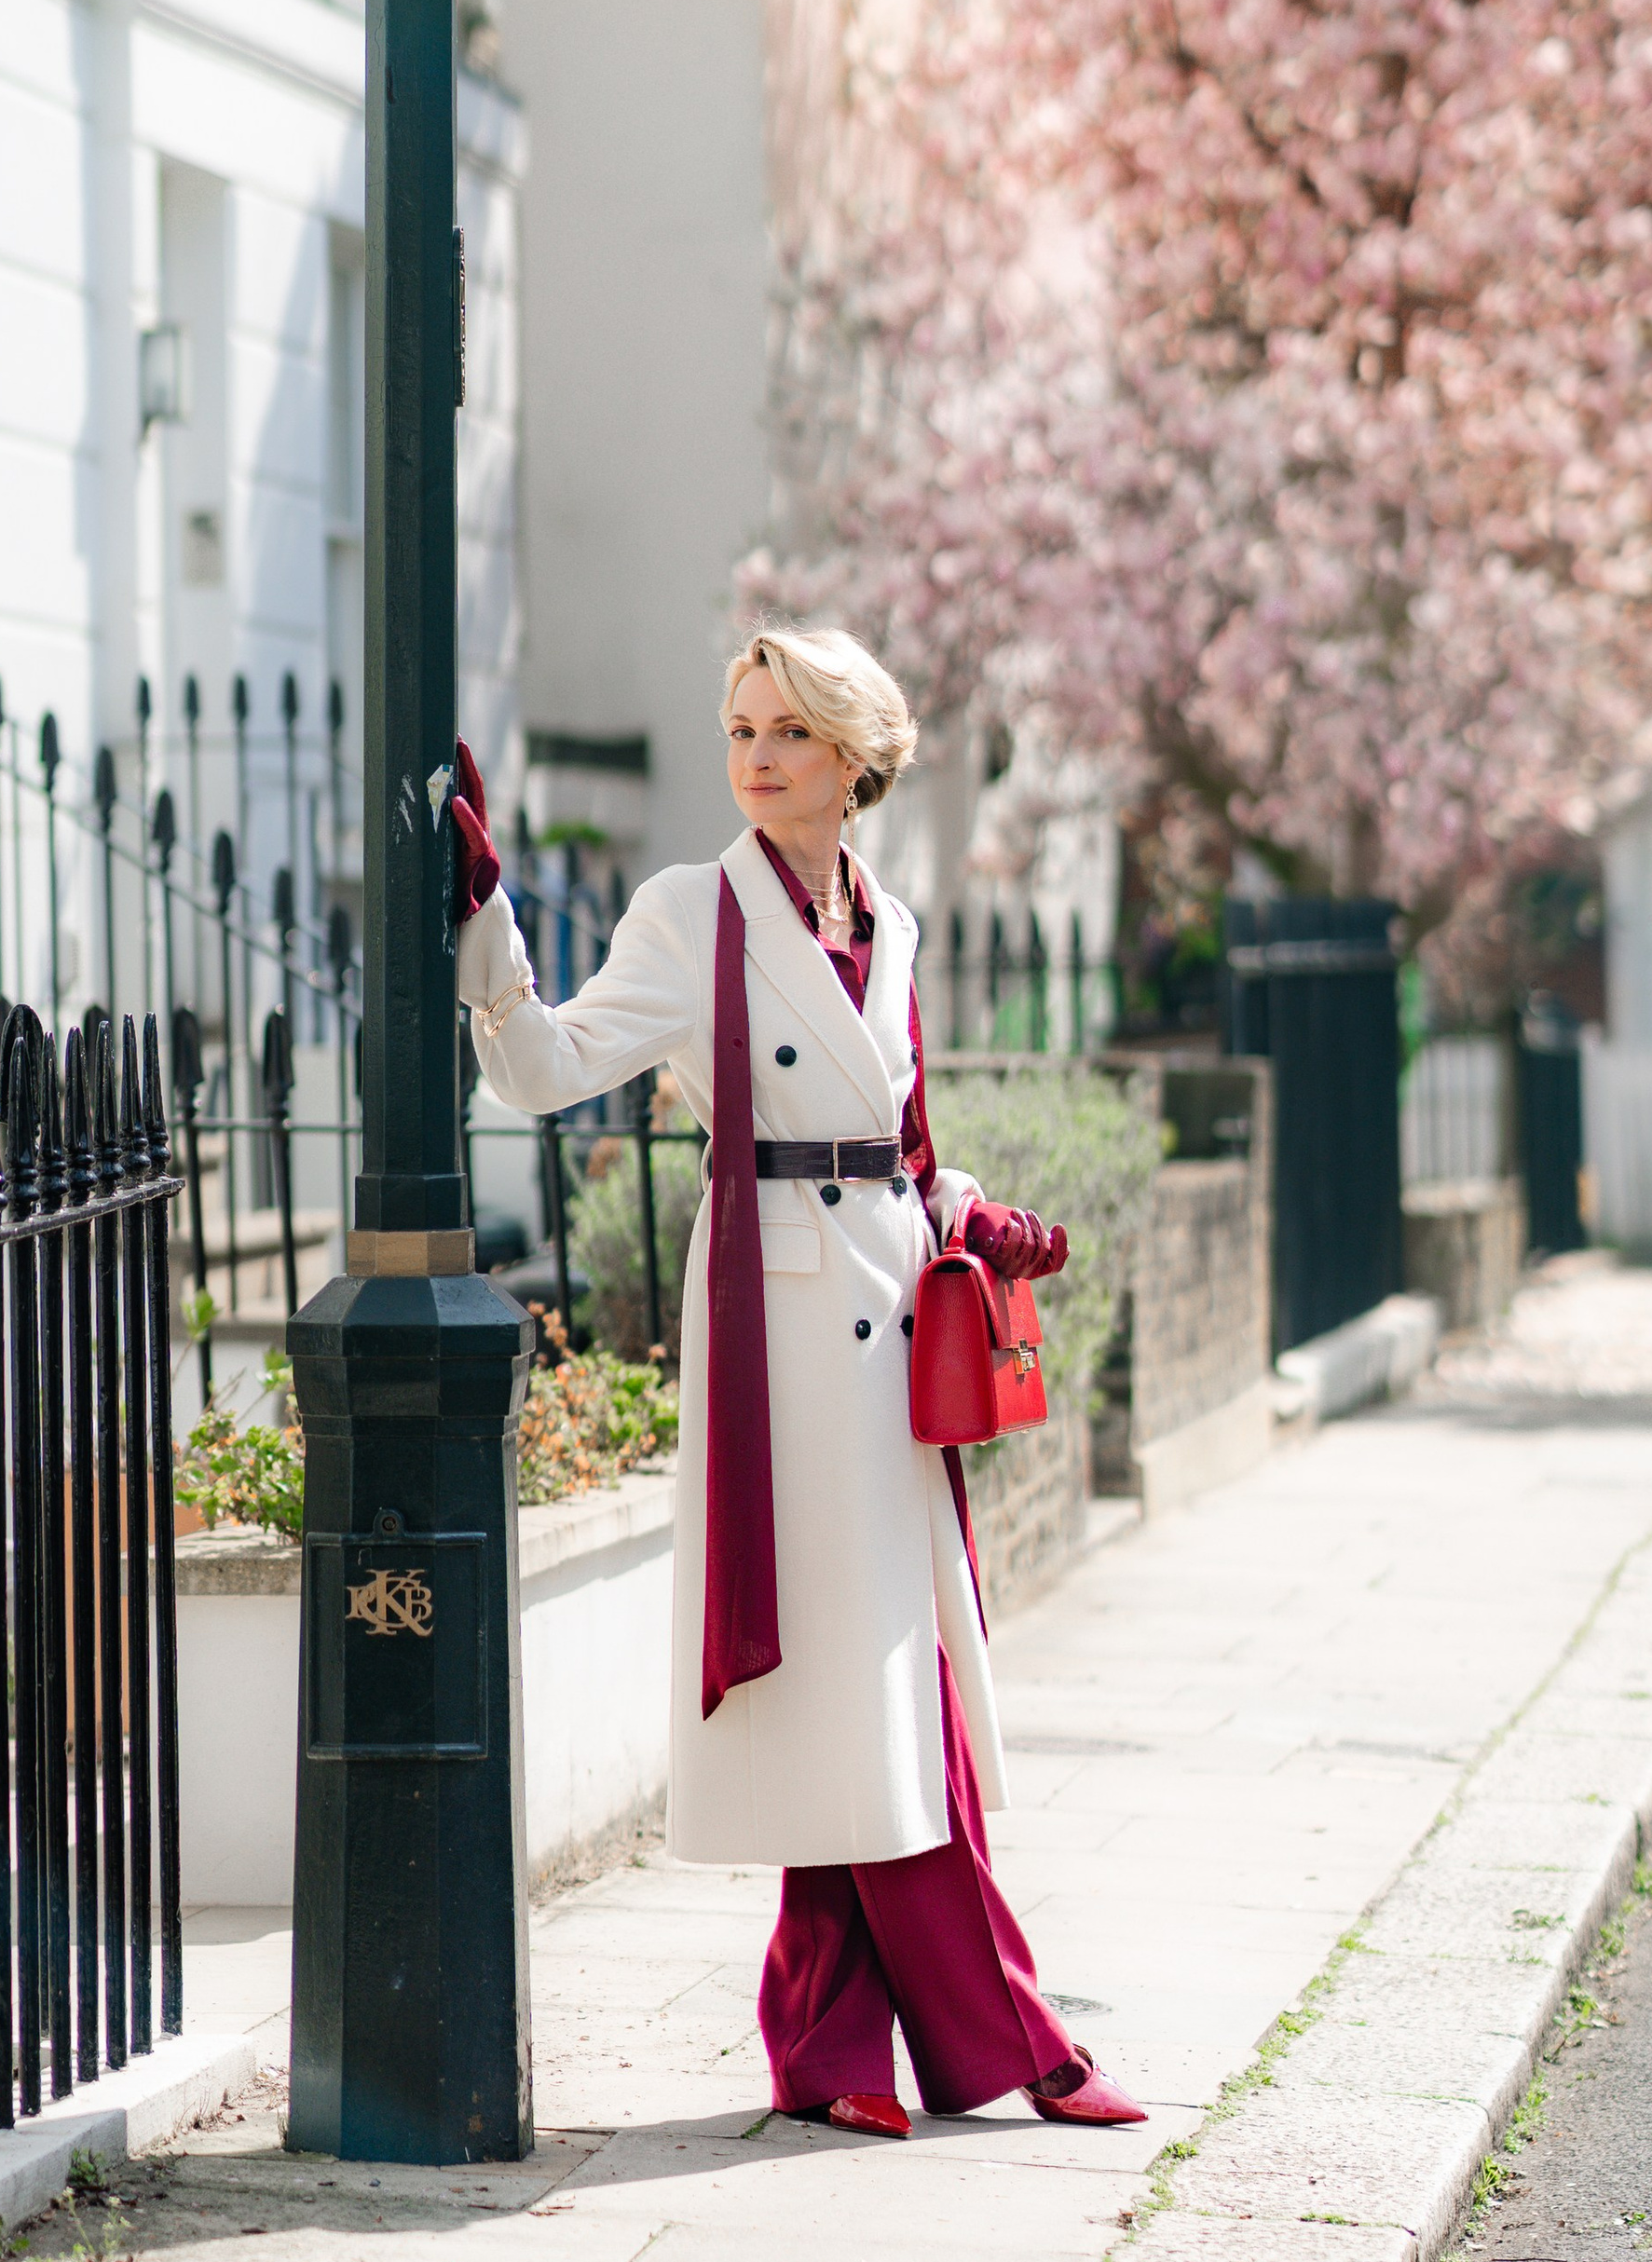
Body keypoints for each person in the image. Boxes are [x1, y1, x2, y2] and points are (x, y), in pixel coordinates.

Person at [452, 620, 1144, 2141]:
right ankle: (1006, 2032)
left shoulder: (888, 920)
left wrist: (962, 1202)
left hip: (889, 1315)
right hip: (775, 1323)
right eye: (741, 726)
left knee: (881, 1690)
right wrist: (487, 925)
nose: (756, 755)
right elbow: (545, 1067)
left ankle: (828, 2043)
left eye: (788, 731)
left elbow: (891, 1131)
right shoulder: (690, 909)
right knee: (854, 1687)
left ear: (854, 757)